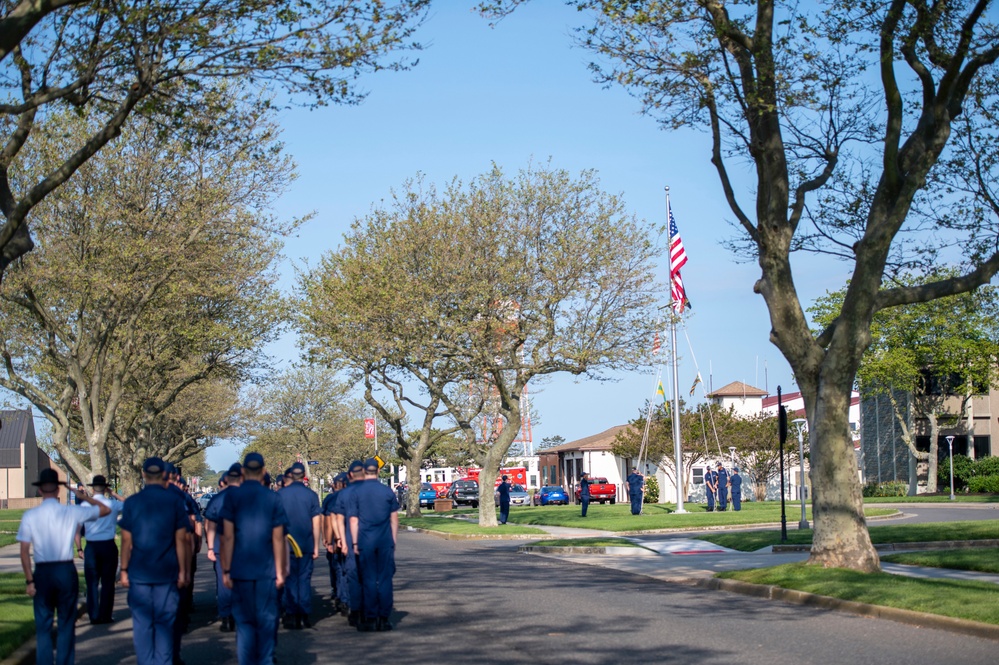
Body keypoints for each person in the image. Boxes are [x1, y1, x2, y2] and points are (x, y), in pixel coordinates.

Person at [18, 469, 110, 665]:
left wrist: (29, 580)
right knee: (66, 624)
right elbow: (105, 510)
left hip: (43, 571)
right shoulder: (71, 511)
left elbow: (24, 551)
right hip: (65, 570)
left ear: (41, 490)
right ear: (58, 491)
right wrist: (82, 496)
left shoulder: (30, 516)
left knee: (43, 626)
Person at [119, 457, 191, 665]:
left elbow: (126, 540)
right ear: (165, 475)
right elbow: (181, 539)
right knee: (165, 623)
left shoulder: (132, 503)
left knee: (142, 625)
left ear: (143, 475)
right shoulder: (175, 501)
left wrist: (123, 569)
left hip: (140, 573)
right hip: (167, 573)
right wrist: (184, 571)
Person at [220, 452, 289, 665]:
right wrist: (280, 570)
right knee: (266, 621)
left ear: (242, 472)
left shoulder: (232, 497)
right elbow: (278, 538)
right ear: (264, 471)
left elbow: (227, 536)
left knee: (245, 623)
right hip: (266, 570)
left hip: (240, 569)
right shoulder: (273, 498)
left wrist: (226, 569)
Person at [345, 458, 400, 632]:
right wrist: (393, 540)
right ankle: (383, 618)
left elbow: (353, 520)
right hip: (384, 541)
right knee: (384, 579)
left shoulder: (356, 493)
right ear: (377, 471)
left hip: (364, 541)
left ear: (364, 472)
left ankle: (370, 618)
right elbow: (394, 519)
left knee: (368, 579)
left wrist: (354, 542)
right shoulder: (387, 492)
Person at [75, 475, 125, 624]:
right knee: (108, 582)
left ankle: (94, 615)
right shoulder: (113, 504)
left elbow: (77, 529)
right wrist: (114, 493)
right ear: (105, 488)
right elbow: (130, 504)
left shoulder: (84, 506)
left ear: (92, 488)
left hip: (92, 546)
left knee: (92, 582)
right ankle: (106, 614)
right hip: (108, 545)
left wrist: (79, 548)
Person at [278, 461, 321, 629]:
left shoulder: (280, 495)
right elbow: (316, 523)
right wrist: (316, 546)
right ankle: (303, 614)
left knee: (289, 580)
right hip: (305, 544)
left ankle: (290, 614)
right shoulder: (311, 495)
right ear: (304, 475)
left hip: (285, 545)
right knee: (304, 580)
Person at [204, 463, 243, 632]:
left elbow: (210, 525)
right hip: (245, 547)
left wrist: (211, 547)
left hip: (221, 547)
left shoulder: (217, 499)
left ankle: (226, 616)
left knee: (224, 581)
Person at [335, 461, 366, 626]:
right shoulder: (371, 491)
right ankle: (370, 611)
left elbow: (338, 519)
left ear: (349, 475)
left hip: (349, 538)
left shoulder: (344, 494)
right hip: (370, 539)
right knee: (369, 576)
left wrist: (341, 540)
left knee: (353, 576)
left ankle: (355, 611)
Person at [321, 473, 347, 613]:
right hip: (352, 538)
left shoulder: (330, 499)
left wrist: (326, 537)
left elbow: (327, 520)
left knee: (336, 566)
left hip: (336, 537)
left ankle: (338, 592)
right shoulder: (352, 495)